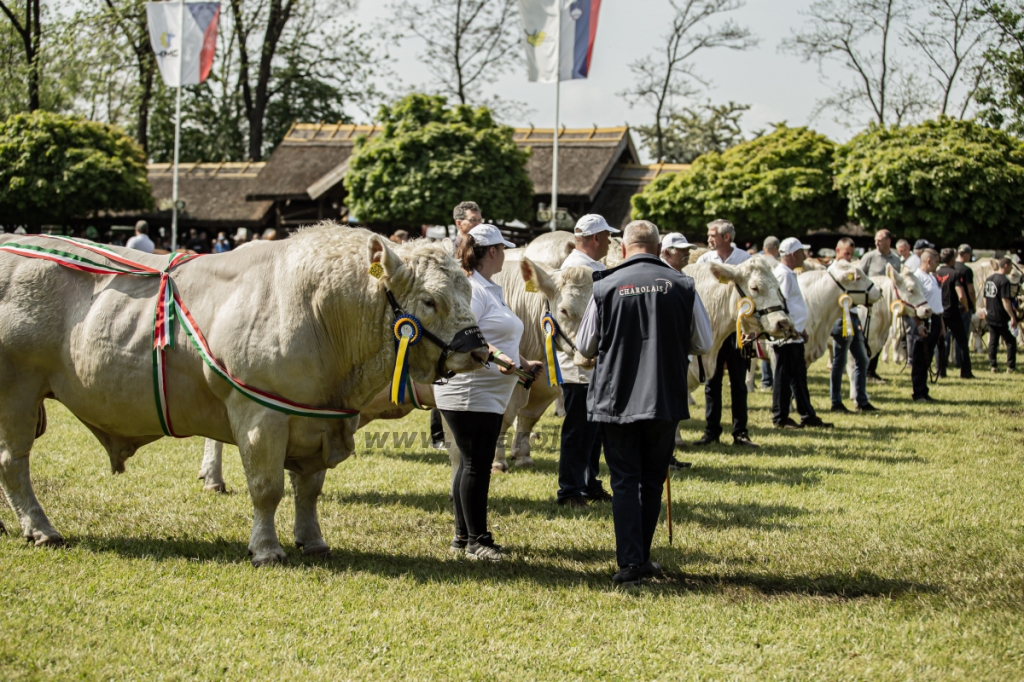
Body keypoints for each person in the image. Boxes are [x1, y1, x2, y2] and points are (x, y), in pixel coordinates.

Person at [576, 220, 712, 586]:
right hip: (663, 394)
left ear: (624, 248)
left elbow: (585, 345)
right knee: (652, 479)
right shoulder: (683, 284)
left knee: (624, 480)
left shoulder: (604, 284)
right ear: (657, 247)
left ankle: (630, 563)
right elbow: (703, 341)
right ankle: (642, 558)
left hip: (615, 396)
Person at [434, 224, 542, 561]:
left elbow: (494, 333)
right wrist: (499, 357)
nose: (506, 255)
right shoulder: (472, 288)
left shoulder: (488, 288)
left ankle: (463, 536)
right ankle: (477, 541)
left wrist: (523, 361)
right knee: (476, 465)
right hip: (469, 390)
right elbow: (466, 337)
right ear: (492, 252)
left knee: (471, 464)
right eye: (503, 249)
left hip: (485, 391)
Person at [556, 214, 619, 507]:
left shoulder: (587, 265)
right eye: (607, 236)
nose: (609, 241)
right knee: (579, 428)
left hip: (590, 359)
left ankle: (588, 483)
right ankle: (570, 489)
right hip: (578, 361)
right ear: (596, 238)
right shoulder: (578, 269)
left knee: (592, 429)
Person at [694, 219, 758, 448]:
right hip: (713, 331)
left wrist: (751, 330)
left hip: (737, 331)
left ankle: (740, 432)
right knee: (712, 382)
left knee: (739, 383)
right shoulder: (704, 261)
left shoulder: (745, 260)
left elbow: (753, 298)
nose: (709, 239)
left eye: (713, 235)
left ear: (726, 237)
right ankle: (711, 431)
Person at [430, 201, 486, 450]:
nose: (478, 223)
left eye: (480, 219)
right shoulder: (446, 251)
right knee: (442, 374)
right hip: (449, 319)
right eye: (473, 220)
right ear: (459, 223)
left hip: (475, 312)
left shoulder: (482, 250)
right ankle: (438, 435)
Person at [772, 238, 832, 429]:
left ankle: (807, 415)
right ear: (792, 254)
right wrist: (791, 329)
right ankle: (780, 417)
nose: (805, 256)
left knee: (798, 377)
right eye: (802, 252)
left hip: (794, 335)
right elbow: (781, 305)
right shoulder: (784, 275)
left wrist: (800, 329)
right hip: (787, 337)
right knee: (783, 377)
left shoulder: (788, 274)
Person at [829, 238, 877, 413]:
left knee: (862, 359)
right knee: (839, 362)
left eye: (851, 254)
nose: (848, 257)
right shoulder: (832, 271)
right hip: (840, 319)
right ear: (837, 250)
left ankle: (861, 400)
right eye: (846, 253)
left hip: (853, 317)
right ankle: (836, 402)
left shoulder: (852, 269)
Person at [860, 230, 903, 382]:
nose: (876, 242)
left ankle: (872, 370)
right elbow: (860, 276)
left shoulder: (896, 260)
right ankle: (864, 370)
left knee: (881, 337)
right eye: (875, 239)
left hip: (887, 307)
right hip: (871, 306)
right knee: (869, 337)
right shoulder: (869, 257)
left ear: (889, 241)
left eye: (880, 240)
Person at [908, 249, 946, 402]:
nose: (938, 265)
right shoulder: (917, 278)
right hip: (923, 320)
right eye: (937, 261)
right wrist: (918, 324)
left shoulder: (932, 277)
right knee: (920, 358)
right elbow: (913, 304)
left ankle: (924, 390)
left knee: (927, 357)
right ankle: (918, 392)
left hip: (935, 319)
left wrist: (941, 325)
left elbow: (937, 304)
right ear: (929, 261)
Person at [935, 248, 974, 379]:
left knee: (940, 341)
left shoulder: (936, 273)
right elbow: (961, 295)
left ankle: (941, 371)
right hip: (953, 312)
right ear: (952, 259)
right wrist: (966, 306)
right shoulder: (956, 274)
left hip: (940, 312)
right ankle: (965, 372)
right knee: (962, 342)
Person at [984, 257, 1018, 373]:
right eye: (1011, 267)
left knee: (993, 341)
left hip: (990, 315)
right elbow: (1005, 300)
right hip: (1001, 316)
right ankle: (1011, 367)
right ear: (1006, 265)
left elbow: (985, 298)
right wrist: (1012, 316)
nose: (1011, 269)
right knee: (1010, 341)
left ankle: (993, 365)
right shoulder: (1004, 280)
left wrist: (987, 310)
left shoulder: (989, 279)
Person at [950, 244, 976, 369]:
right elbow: (970, 290)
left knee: (950, 335)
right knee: (962, 335)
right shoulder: (966, 270)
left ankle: (948, 359)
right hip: (963, 306)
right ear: (965, 254)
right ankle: (959, 360)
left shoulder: (951, 267)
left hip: (950, 305)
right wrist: (972, 305)